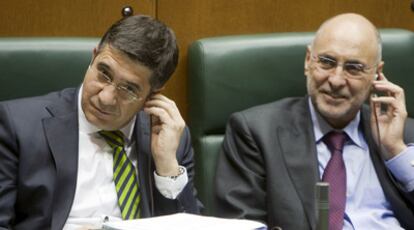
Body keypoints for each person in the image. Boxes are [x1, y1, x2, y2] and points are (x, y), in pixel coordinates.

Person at [214, 13, 414, 230]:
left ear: (377, 73)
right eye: (327, 62)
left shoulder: (403, 136)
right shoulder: (256, 132)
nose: (336, 80)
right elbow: (241, 224)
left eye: (353, 68)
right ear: (308, 61)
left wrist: (395, 151)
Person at [0, 15, 200, 229]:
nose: (105, 98)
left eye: (129, 89)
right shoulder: (17, 125)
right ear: (93, 57)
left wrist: (167, 166)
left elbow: (190, 225)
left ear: (152, 95)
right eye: (104, 73)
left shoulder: (168, 139)